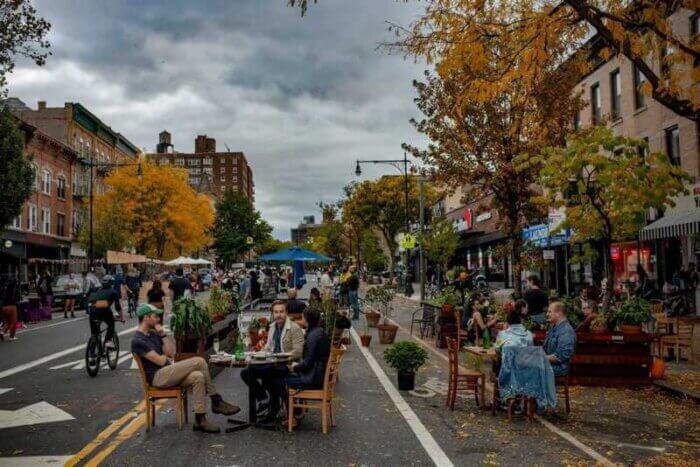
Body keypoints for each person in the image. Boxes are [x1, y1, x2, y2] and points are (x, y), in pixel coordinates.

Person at [131, 303, 240, 433]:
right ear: (146, 318)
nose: (159, 319)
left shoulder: (154, 334)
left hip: (167, 372)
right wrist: (165, 358)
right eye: (155, 316)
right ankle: (216, 400)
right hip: (158, 377)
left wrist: (162, 335)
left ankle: (200, 419)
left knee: (198, 377)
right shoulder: (138, 340)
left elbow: (171, 353)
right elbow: (160, 361)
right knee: (199, 361)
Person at [241, 300, 304, 422]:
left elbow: (298, 352)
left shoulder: (294, 328)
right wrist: (256, 354)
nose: (278, 315)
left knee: (270, 374)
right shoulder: (272, 327)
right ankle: (264, 398)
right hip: (271, 364)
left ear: (286, 312)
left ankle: (273, 409)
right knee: (246, 372)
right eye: (276, 312)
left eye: (281, 312)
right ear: (273, 314)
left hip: (288, 365)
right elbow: (268, 347)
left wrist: (279, 356)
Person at [285, 307, 331, 428]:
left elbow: (307, 364)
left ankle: (293, 415)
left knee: (282, 379)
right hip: (319, 376)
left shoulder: (312, 338)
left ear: (306, 319)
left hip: (312, 379)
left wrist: (294, 367)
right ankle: (297, 411)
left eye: (302, 317)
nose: (301, 319)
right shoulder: (320, 332)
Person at [87, 275, 122, 349]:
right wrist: (121, 317)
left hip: (92, 312)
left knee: (94, 334)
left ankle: (92, 354)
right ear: (111, 284)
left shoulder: (97, 291)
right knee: (111, 325)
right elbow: (118, 307)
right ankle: (108, 341)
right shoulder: (113, 292)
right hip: (104, 311)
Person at [543, 302, 577, 377]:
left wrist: (540, 358)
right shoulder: (554, 328)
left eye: (549, 312)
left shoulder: (566, 331)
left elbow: (560, 355)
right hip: (548, 364)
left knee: (530, 368)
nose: (547, 314)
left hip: (559, 367)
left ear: (558, 313)